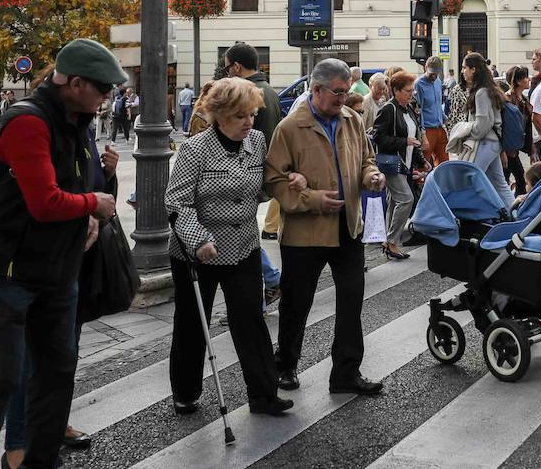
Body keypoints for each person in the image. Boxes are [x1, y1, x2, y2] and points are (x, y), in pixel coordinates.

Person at [0, 39, 122, 469]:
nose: (108, 99)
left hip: (59, 269)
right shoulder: (29, 121)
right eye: (103, 90)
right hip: (9, 270)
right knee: (0, 377)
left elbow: (84, 186)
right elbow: (45, 202)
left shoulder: (77, 122)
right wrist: (91, 205)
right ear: (75, 83)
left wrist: (96, 205)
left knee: (57, 372)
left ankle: (39, 461)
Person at [165, 77, 291, 417]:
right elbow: (177, 202)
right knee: (194, 321)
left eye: (251, 115)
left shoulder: (257, 141)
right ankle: (186, 391)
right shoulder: (195, 149)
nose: (249, 123)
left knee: (250, 317)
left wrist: (288, 180)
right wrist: (198, 239)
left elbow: (262, 190)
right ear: (219, 116)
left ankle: (264, 394)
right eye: (240, 116)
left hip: (243, 247)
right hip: (198, 250)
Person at [263, 58, 387, 397]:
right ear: (316, 90)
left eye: (346, 92)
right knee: (296, 304)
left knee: (351, 301)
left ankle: (346, 373)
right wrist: (313, 199)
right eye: (337, 92)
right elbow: (273, 179)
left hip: (348, 227)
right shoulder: (290, 128)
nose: (343, 98)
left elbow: (366, 159)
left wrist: (371, 177)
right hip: (305, 234)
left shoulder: (352, 120)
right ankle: (285, 365)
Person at [223, 44, 283, 239]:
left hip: (247, 170)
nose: (228, 74)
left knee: (239, 231)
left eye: (227, 68)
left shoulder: (245, 92)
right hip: (262, 165)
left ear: (237, 67)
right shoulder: (270, 91)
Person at [371, 71, 418, 261]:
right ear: (396, 90)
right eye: (408, 90)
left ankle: (389, 241)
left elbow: (415, 136)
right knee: (406, 199)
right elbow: (378, 137)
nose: (411, 94)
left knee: (393, 202)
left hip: (403, 163)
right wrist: (403, 142)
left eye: (412, 90)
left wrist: (421, 161)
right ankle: (391, 241)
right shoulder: (389, 109)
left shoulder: (409, 108)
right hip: (391, 162)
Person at [461, 52, 508, 200]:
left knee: (470, 179)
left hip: (485, 143)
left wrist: (467, 133)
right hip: (493, 143)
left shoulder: (481, 92)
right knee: (499, 184)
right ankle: (513, 216)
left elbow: (483, 124)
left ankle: (476, 215)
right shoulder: (489, 89)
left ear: (473, 69)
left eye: (464, 68)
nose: (462, 71)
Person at [503, 65, 534, 196]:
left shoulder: (523, 100)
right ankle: (515, 206)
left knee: (508, 179)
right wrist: (502, 151)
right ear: (518, 81)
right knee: (519, 178)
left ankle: (511, 206)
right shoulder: (507, 99)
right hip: (507, 148)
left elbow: (528, 127)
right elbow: (502, 126)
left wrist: (531, 150)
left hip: (514, 148)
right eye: (526, 77)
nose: (529, 79)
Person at [415, 56, 447, 168]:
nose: (434, 76)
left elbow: (437, 104)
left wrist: (444, 118)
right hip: (427, 129)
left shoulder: (438, 81)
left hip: (439, 127)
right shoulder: (418, 84)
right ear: (425, 68)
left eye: (436, 73)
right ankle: (422, 185)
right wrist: (423, 134)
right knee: (424, 164)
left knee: (445, 162)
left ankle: (442, 184)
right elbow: (418, 111)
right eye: (431, 73)